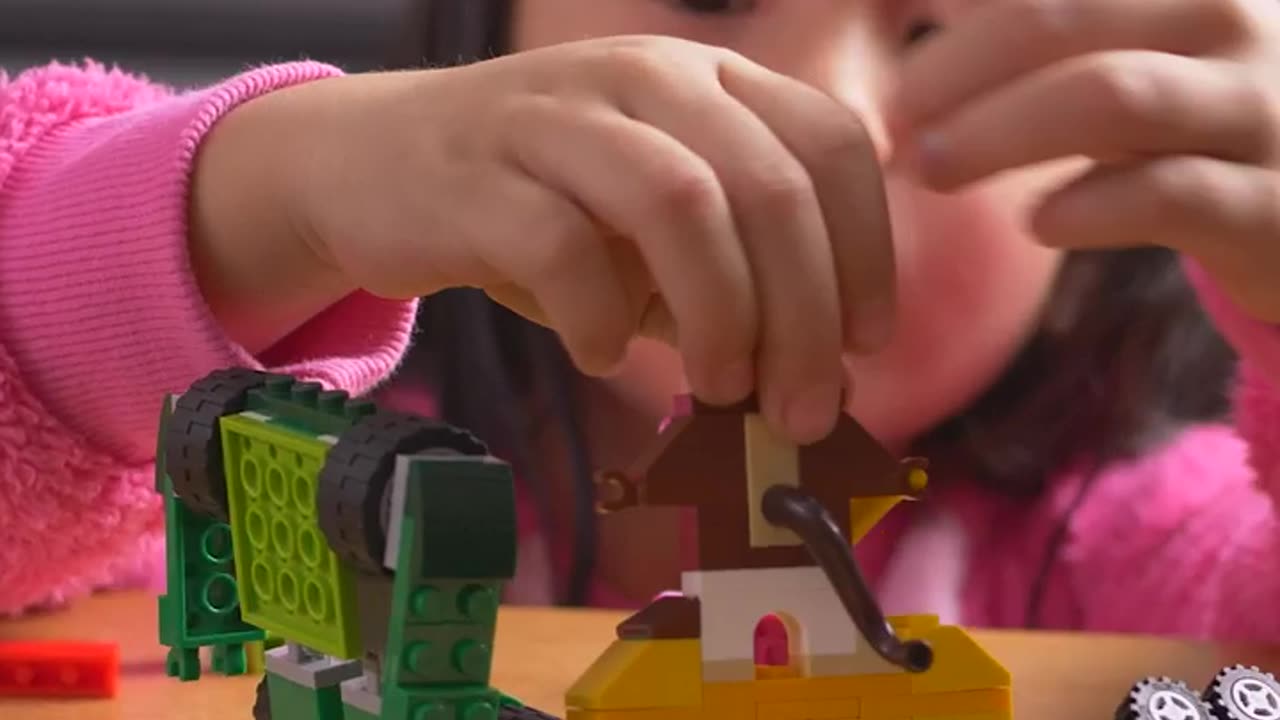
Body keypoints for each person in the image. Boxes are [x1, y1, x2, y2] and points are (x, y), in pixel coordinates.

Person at [0, 0, 1277, 644]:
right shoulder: (266, 478)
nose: (817, 121)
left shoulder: (1151, 561)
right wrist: (271, 196)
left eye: (940, 32)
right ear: (484, 31)